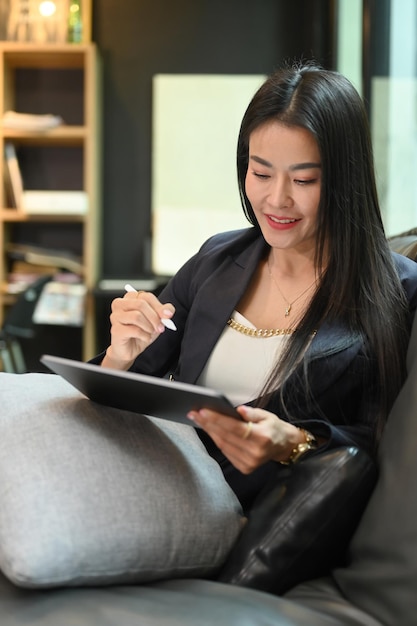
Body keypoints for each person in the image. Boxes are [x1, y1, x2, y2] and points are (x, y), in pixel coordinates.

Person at [92, 60, 417, 513]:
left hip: (264, 516)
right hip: (161, 485)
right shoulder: (215, 261)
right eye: (260, 173)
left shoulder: (397, 291)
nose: (276, 199)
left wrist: (295, 443)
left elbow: (387, 444)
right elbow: (120, 401)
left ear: (347, 179)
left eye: (304, 179)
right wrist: (118, 357)